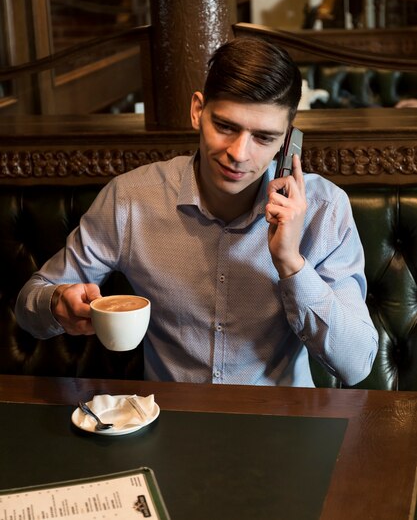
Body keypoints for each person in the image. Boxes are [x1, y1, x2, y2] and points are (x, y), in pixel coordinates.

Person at [15, 37, 378, 387]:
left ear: (287, 142)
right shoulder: (130, 199)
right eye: (225, 126)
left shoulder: (325, 210)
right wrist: (55, 303)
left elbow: (356, 364)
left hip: (284, 424)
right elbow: (31, 302)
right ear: (197, 111)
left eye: (264, 138)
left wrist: (291, 263)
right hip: (170, 423)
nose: (239, 153)